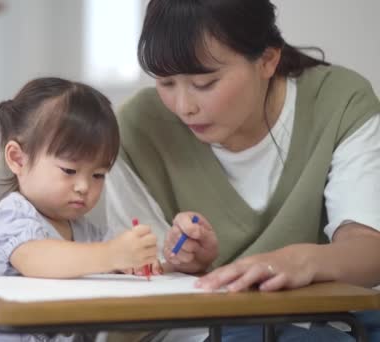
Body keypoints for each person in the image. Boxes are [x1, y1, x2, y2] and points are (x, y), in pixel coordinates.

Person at [104, 0, 380, 341]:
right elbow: (135, 275)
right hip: (189, 327)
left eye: (205, 84)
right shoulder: (135, 130)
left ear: (267, 60)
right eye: (166, 83)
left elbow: (368, 250)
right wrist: (184, 263)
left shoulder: (339, 101)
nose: (184, 107)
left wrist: (303, 261)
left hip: (311, 320)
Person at [0, 77, 161, 342]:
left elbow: (113, 261)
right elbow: (37, 259)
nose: (83, 186)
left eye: (98, 175)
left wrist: (139, 261)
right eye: (69, 170)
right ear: (17, 159)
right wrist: (112, 254)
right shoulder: (14, 214)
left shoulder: (84, 232)